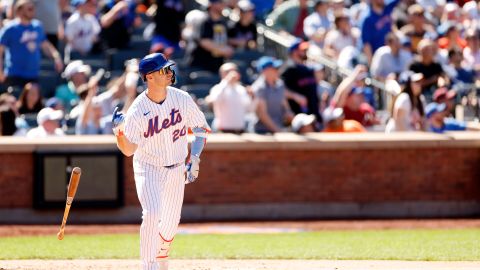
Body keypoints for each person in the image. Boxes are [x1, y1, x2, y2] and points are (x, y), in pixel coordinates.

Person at [111, 52, 210, 270]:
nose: (169, 73)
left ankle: (161, 256)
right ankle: (149, 266)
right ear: (149, 77)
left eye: (168, 69)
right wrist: (119, 133)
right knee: (152, 213)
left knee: (171, 224)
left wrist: (195, 158)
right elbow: (128, 150)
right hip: (149, 168)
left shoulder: (181, 98)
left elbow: (201, 128)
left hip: (176, 168)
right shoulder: (137, 110)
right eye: (163, 70)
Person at [0, 0, 63, 93]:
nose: (33, 11)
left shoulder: (37, 26)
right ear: (19, 11)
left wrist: (56, 57)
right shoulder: (10, 28)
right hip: (14, 75)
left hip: (33, 74)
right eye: (29, 9)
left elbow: (45, 45)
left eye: (33, 8)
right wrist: (0, 72)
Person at [205, 62, 252, 133]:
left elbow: (249, 109)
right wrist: (226, 81)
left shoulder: (242, 89)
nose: (232, 74)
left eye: (234, 71)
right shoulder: (217, 88)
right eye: (228, 72)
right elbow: (216, 100)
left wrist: (252, 97)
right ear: (222, 74)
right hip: (222, 130)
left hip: (240, 131)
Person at [252, 56, 294, 134]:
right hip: (262, 132)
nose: (278, 71)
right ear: (266, 71)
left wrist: (288, 113)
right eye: (275, 68)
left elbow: (284, 104)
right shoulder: (259, 87)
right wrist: (278, 130)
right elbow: (262, 114)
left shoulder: (280, 84)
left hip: (279, 129)